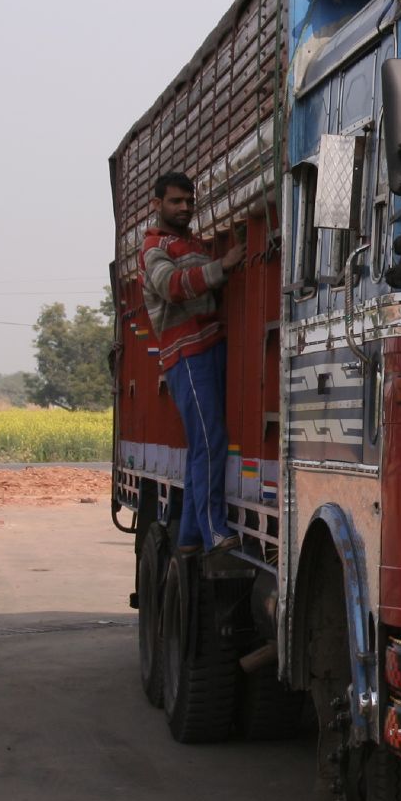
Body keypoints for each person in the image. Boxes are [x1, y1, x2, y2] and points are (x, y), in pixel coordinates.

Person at [141, 171, 245, 555]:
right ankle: (214, 531)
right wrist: (223, 267)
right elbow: (171, 287)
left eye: (188, 201)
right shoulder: (154, 247)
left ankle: (188, 539)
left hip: (207, 348)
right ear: (157, 205)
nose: (184, 208)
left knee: (201, 446)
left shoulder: (191, 244)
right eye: (175, 202)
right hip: (187, 355)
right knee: (209, 440)